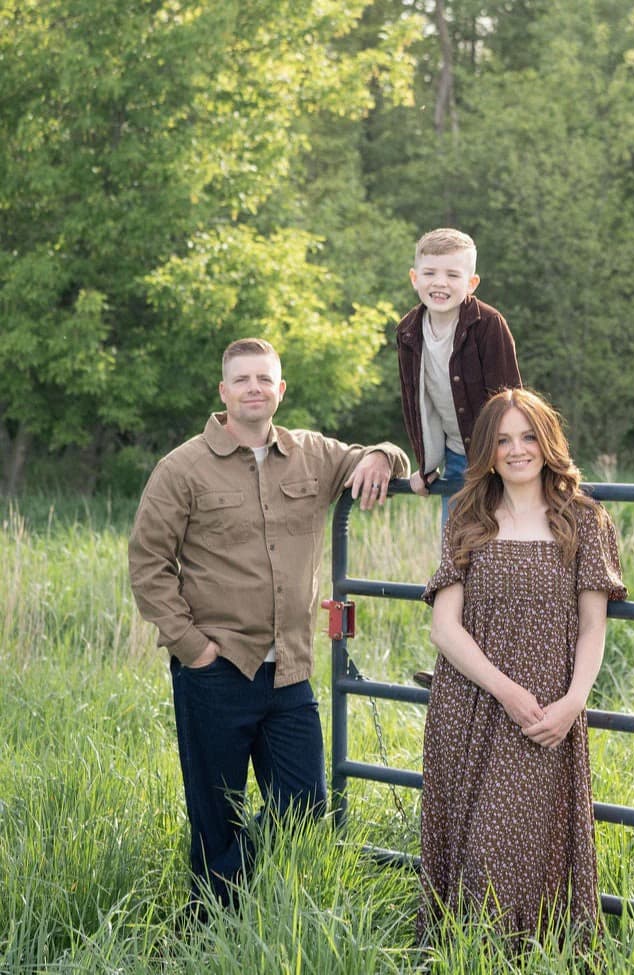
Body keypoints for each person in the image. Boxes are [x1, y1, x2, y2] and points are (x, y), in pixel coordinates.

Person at [128, 338, 409, 915]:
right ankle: (212, 928)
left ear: (281, 390)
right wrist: (193, 648)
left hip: (290, 671)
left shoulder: (312, 455)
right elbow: (148, 565)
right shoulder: (180, 468)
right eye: (242, 380)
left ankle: (220, 902)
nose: (254, 388)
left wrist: (383, 454)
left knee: (304, 803)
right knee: (216, 814)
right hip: (215, 668)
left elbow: (376, 457)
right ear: (224, 392)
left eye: (265, 379)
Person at [417, 387, 626, 952]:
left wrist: (573, 701)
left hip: (548, 713)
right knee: (474, 850)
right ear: (487, 449)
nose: (517, 450)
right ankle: (467, 957)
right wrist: (506, 691)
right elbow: (444, 628)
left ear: (547, 442)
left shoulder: (583, 520)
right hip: (471, 704)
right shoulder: (468, 515)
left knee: (533, 843)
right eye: (503, 440)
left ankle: (538, 956)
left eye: (528, 436)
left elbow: (592, 626)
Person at [396, 227, 521, 689]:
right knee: (456, 557)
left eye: (452, 274)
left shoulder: (488, 324)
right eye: (430, 272)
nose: (440, 283)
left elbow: (511, 398)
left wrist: (504, 464)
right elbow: (417, 401)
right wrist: (424, 464)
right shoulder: (409, 330)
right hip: (451, 459)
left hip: (494, 458)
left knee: (495, 556)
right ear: (414, 277)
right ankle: (456, 666)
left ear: (472, 283)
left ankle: (492, 664)